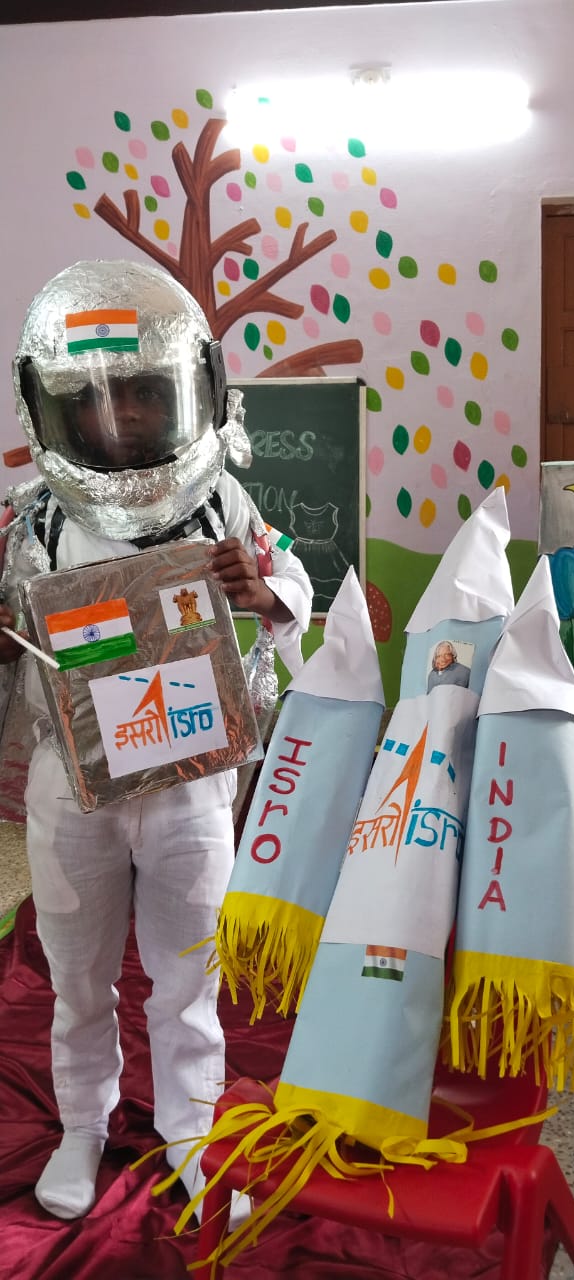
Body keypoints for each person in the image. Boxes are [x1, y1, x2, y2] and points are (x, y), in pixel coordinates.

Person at [0, 259, 313, 1222]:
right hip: (74, 785)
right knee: (78, 977)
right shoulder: (32, 522)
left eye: (142, 391)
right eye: (95, 398)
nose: (124, 415)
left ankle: (191, 1130)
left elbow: (294, 586)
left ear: (190, 391)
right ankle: (84, 1128)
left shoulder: (223, 504)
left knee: (189, 977)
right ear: (51, 407)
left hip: (190, 780)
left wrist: (262, 591)